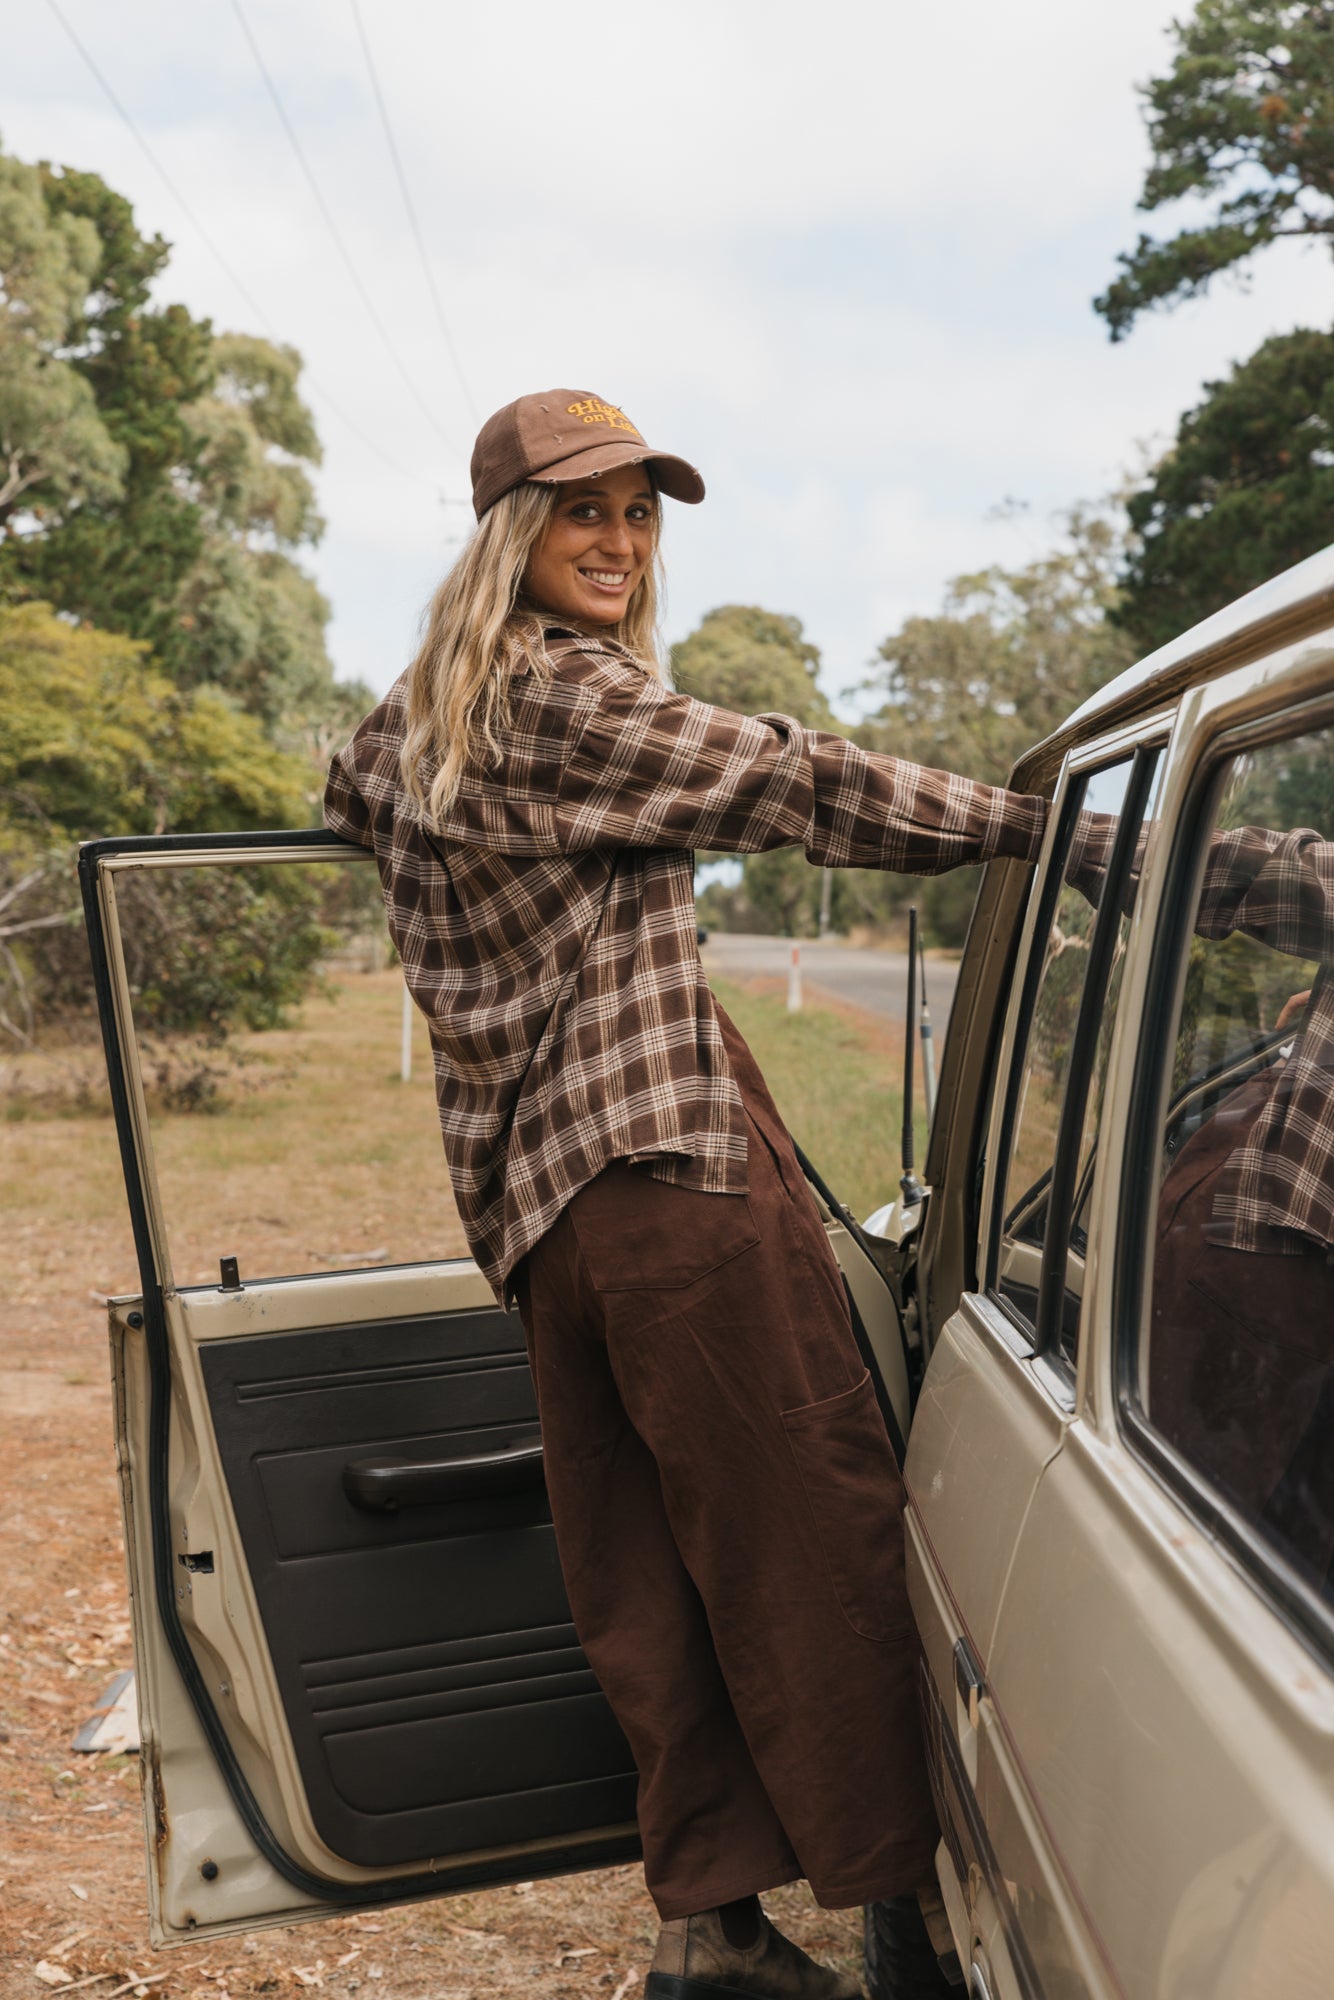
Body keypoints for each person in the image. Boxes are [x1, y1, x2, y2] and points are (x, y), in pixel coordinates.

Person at [324, 389, 1047, 2000]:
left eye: (640, 516)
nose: (620, 544)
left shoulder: (407, 731)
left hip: (543, 1219)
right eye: (584, 512)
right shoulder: (562, 692)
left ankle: (705, 1930)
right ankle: (905, 1917)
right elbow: (799, 785)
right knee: (811, 1530)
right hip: (662, 1179)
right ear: (511, 532)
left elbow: (348, 800)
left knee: (639, 1567)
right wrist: (1038, 831)